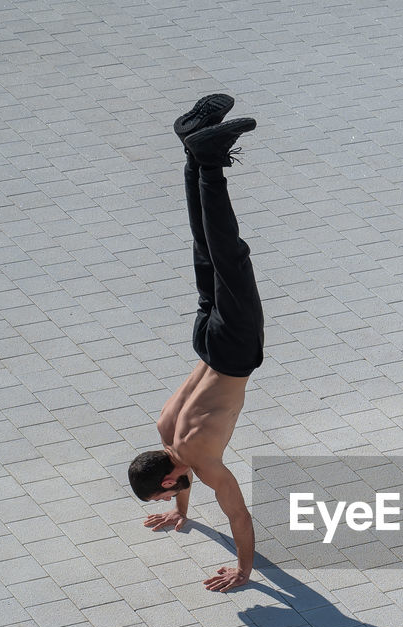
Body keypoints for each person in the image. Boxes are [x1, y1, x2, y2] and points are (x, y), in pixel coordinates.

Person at [128, 94, 264, 591]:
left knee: (229, 253)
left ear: (170, 478)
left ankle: (208, 158)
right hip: (205, 341)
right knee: (205, 250)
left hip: (232, 351)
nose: (172, 500)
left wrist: (244, 570)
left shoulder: (200, 459)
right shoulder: (167, 430)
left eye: (165, 499)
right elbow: (180, 473)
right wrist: (183, 519)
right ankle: (193, 145)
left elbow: (239, 516)